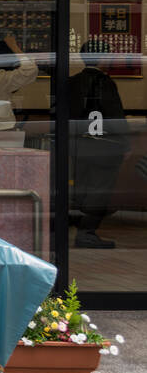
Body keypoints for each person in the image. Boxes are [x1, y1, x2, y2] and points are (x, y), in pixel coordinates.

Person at [69, 39, 130, 249]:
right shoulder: (105, 82)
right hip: (104, 147)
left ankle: (79, 226)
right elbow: (115, 117)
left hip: (78, 145)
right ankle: (87, 232)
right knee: (99, 190)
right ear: (101, 57)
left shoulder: (73, 82)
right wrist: (125, 143)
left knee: (81, 188)